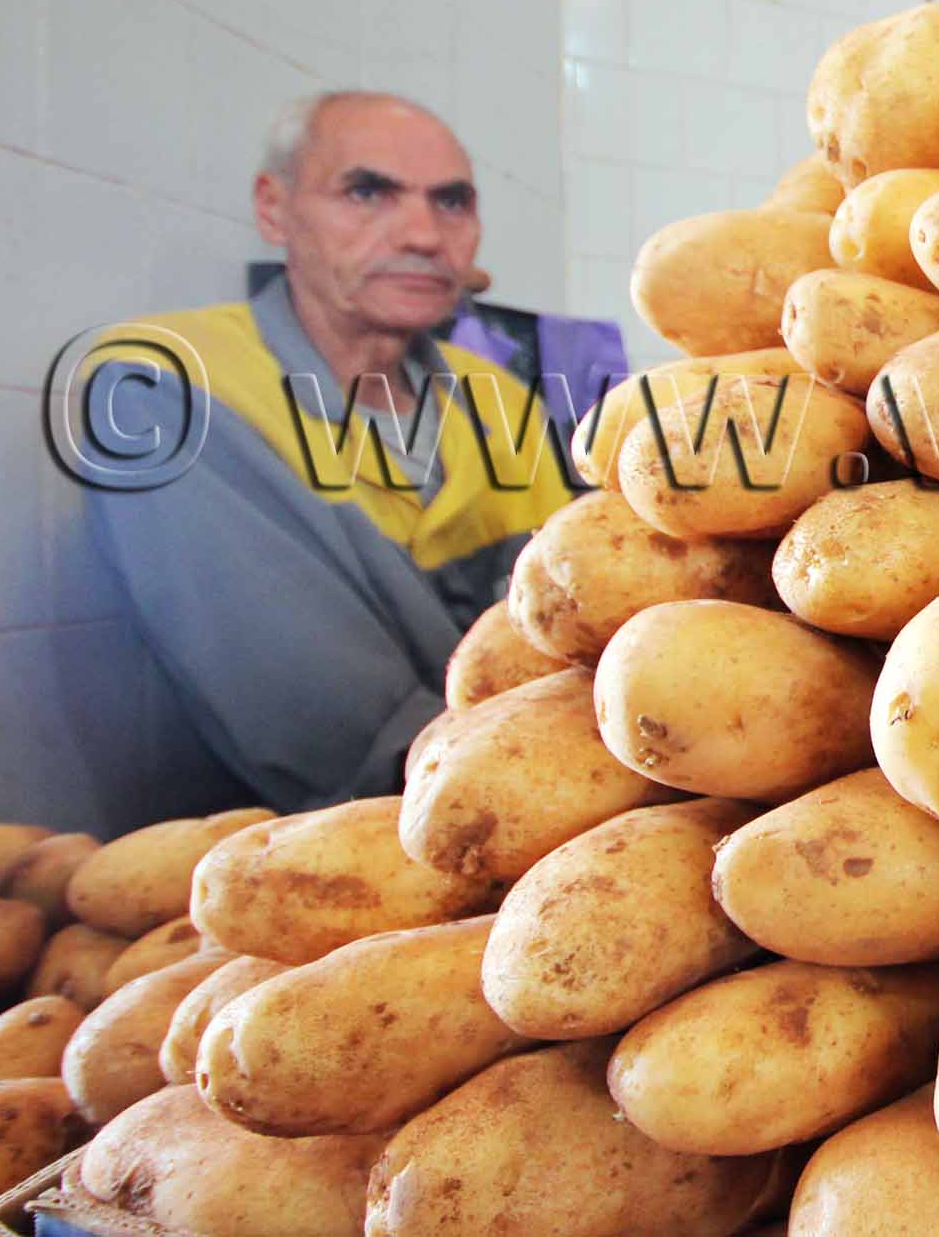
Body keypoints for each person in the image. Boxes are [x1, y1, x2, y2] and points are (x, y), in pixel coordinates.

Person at [80, 92, 575, 812]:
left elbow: (576, 619)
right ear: (274, 208)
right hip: (305, 859)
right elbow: (332, 734)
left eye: (451, 202)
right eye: (368, 191)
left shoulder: (497, 398)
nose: (423, 235)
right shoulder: (165, 386)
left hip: (532, 811)